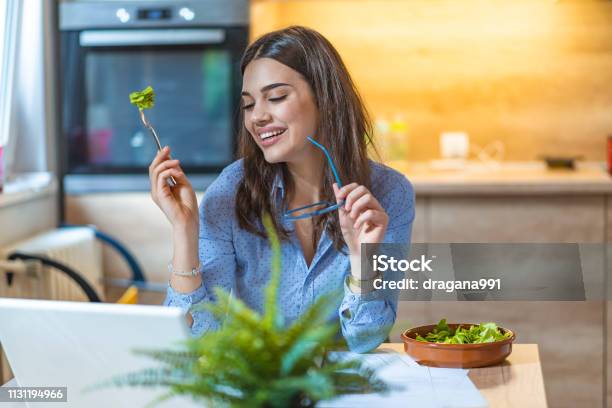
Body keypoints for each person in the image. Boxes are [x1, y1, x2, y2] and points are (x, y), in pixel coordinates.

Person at [149, 26, 415, 353]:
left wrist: (364, 261)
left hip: (345, 386)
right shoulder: (230, 192)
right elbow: (194, 341)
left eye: (276, 97)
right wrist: (184, 230)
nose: (258, 117)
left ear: (325, 100)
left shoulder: (390, 194)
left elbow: (366, 339)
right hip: (261, 386)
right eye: (248, 105)